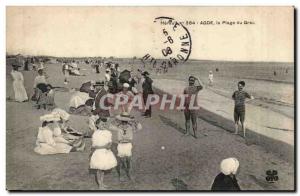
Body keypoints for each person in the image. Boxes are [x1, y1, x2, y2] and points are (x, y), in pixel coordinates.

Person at [109, 112, 142, 181]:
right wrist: (116, 119)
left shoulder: (131, 127)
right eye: (123, 120)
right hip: (121, 145)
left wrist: (135, 121)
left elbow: (139, 127)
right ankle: (121, 176)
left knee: (128, 161)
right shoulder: (118, 127)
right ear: (121, 120)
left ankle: (129, 174)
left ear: (128, 120)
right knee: (121, 162)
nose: (124, 122)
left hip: (128, 145)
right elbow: (110, 126)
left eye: (126, 121)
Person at [90, 118, 117, 189]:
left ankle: (102, 183)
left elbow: (110, 141)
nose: (103, 125)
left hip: (106, 152)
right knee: (99, 169)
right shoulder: (95, 134)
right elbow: (94, 146)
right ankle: (100, 185)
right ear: (97, 125)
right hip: (99, 153)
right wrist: (104, 146)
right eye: (102, 124)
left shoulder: (108, 132)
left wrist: (109, 145)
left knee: (103, 169)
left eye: (105, 124)